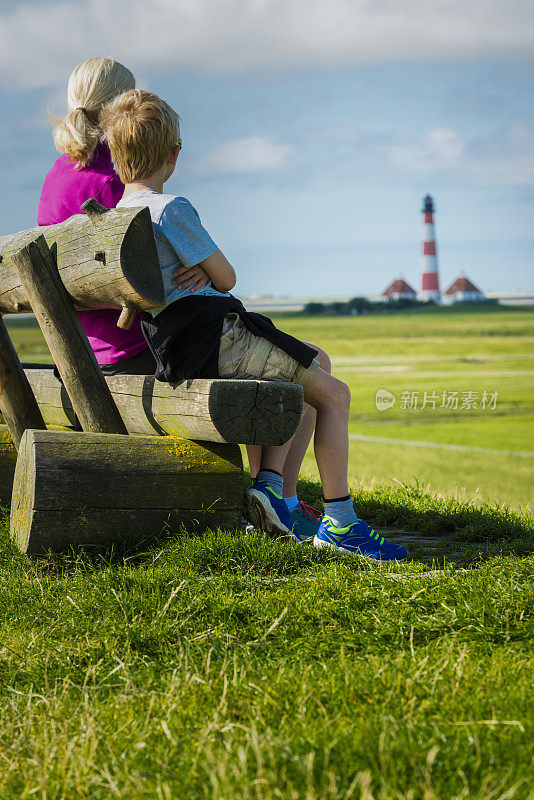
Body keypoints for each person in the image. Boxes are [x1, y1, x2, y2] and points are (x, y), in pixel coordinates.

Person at [100, 89, 407, 561]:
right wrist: (204, 268)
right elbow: (228, 278)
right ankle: (341, 523)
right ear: (173, 154)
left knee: (307, 366)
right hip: (214, 340)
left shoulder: (114, 219)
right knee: (334, 394)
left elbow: (135, 298)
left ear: (116, 158)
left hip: (176, 347)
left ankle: (270, 493)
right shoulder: (170, 209)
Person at [37, 57, 323, 541]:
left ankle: (268, 494)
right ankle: (280, 502)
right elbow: (141, 272)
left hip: (85, 349)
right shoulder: (115, 179)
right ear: (120, 112)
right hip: (140, 348)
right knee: (297, 383)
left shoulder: (55, 178)